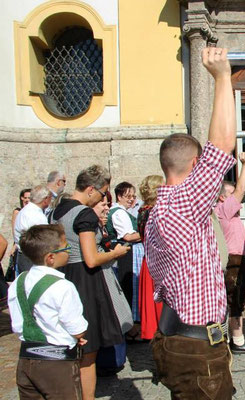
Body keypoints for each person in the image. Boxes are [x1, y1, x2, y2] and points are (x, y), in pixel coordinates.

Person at [144, 47, 237, 399]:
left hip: (174, 337)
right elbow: (223, 145)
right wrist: (222, 76)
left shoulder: (157, 210)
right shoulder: (184, 203)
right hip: (196, 347)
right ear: (195, 162)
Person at [50, 165, 130, 400]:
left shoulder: (57, 210)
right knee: (88, 351)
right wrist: (115, 253)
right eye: (102, 192)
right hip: (85, 280)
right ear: (90, 189)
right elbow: (92, 258)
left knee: (71, 347)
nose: (103, 197)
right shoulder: (84, 213)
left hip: (64, 274)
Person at [8, 224, 88, 400]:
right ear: (51, 257)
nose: (69, 251)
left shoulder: (18, 282)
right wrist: (77, 335)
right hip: (56, 364)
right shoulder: (63, 286)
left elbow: (20, 320)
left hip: (25, 360)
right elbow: (78, 329)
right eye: (66, 247)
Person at [214, 152, 245, 354]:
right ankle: (237, 341)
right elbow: (241, 189)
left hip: (236, 259)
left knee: (234, 299)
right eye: (232, 195)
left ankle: (229, 339)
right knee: (234, 300)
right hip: (233, 260)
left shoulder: (224, 210)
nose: (238, 200)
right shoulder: (224, 208)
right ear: (223, 196)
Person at [106, 181, 143, 326]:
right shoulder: (119, 212)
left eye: (133, 196)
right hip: (127, 254)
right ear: (119, 196)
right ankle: (132, 324)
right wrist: (146, 232)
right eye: (128, 196)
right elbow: (128, 236)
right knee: (130, 288)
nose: (131, 199)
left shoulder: (120, 211)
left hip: (128, 253)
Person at [136, 175, 164, 340]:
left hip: (149, 261)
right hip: (159, 262)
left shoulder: (142, 211)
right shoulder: (155, 212)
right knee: (161, 309)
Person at [13, 185, 53, 274]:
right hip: (31, 258)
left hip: (24, 256)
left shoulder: (26, 210)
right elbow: (43, 239)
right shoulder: (35, 215)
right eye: (50, 198)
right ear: (45, 199)